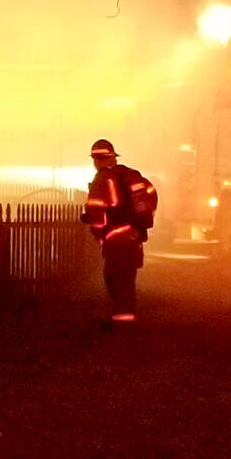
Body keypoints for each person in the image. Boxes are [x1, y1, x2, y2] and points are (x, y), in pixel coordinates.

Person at [82, 137, 157, 322]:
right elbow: (151, 196)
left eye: (96, 160)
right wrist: (139, 224)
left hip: (115, 241)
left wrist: (100, 237)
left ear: (97, 160)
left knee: (114, 281)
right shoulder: (130, 175)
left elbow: (96, 215)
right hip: (134, 238)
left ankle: (122, 327)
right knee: (127, 282)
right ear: (113, 157)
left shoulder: (101, 180)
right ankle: (126, 321)